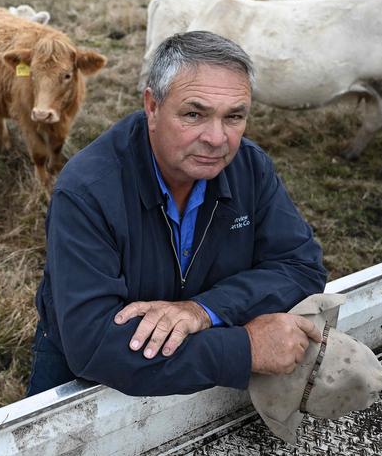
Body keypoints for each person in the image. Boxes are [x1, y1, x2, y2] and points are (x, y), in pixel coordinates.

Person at [27, 31, 327, 397]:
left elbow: (301, 266)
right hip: (85, 381)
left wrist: (203, 309)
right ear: (152, 107)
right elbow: (92, 345)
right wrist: (245, 348)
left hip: (201, 357)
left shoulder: (249, 168)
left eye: (234, 117)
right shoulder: (88, 191)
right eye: (194, 114)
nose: (217, 139)